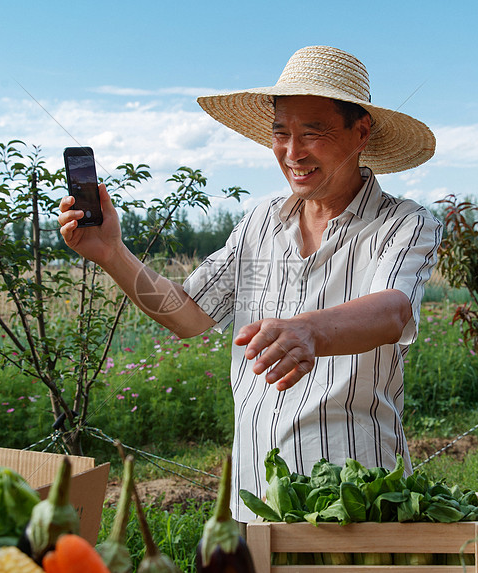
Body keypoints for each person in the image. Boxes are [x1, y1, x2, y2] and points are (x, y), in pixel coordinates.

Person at [58, 45, 442, 522]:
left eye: (313, 134)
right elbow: (187, 313)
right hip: (256, 499)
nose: (292, 152)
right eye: (281, 134)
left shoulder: (402, 223)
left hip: (357, 499)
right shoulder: (261, 222)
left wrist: (309, 331)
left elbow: (393, 312)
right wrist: (112, 253)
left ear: (359, 132)